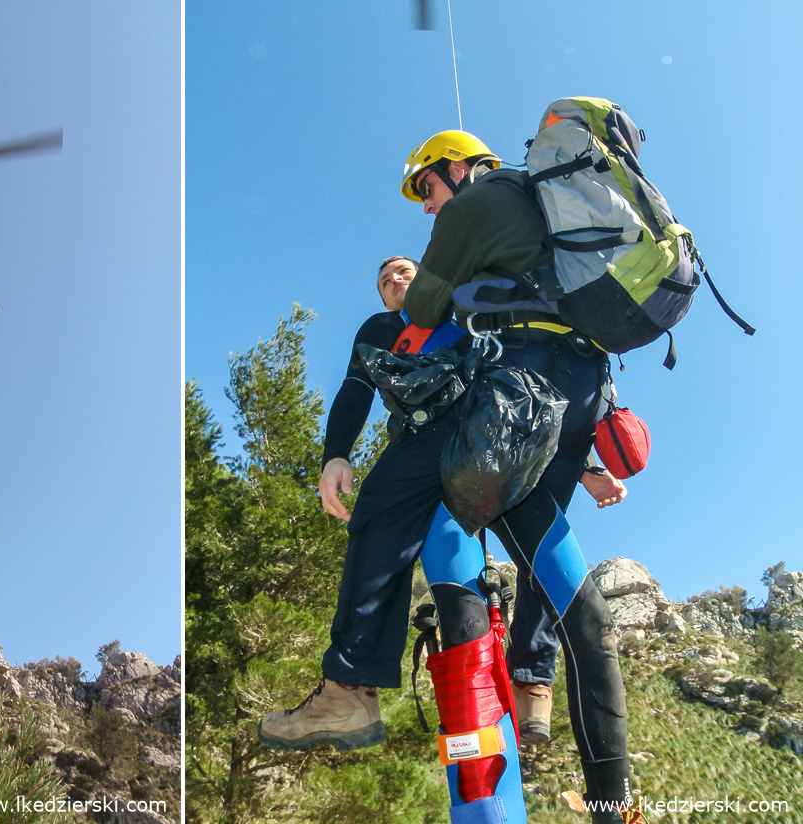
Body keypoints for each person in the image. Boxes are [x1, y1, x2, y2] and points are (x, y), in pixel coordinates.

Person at [259, 256, 627, 823]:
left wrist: (580, 469)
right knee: (470, 605)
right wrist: (336, 452)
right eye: (384, 279)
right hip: (467, 448)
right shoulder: (381, 331)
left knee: (385, 522)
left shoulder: (463, 303)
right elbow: (355, 390)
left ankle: (355, 688)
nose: (394, 281)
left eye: (403, 271)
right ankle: (533, 743)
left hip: (483, 438)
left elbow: (516, 370)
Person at [399, 130, 642, 823]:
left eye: (426, 187)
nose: (426, 207)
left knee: (464, 616)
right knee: (588, 626)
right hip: (575, 395)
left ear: (457, 167)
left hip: (511, 420)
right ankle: (614, 809)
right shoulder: (546, 207)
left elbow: (420, 311)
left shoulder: (472, 206)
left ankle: (486, 811)